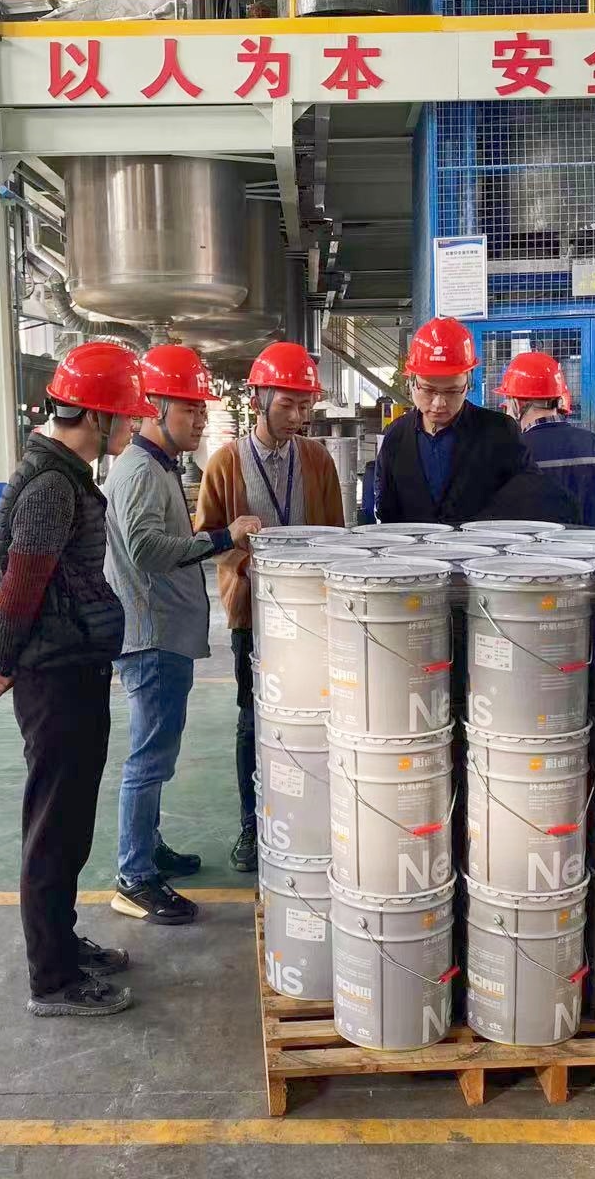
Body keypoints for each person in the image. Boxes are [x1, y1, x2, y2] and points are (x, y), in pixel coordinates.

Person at [0, 340, 151, 1018]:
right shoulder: (50, 487)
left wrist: (9, 661)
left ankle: (63, 946)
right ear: (94, 417)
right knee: (53, 828)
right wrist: (3, 662)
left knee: (68, 826)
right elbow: (19, 591)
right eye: (126, 415)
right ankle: (53, 980)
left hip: (69, 667)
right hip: (56, 678)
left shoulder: (64, 475)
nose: (133, 425)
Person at [104, 344, 261, 926]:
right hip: (152, 637)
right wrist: (222, 538)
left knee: (157, 755)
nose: (199, 420)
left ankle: (148, 848)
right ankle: (134, 877)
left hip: (163, 631)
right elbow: (146, 550)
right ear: (154, 407)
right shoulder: (142, 471)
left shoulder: (158, 465)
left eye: (201, 409)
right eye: (189, 409)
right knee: (149, 759)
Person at [195, 341, 345, 873]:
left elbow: (336, 534)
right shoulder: (225, 463)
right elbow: (206, 537)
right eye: (287, 405)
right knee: (252, 720)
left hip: (313, 618)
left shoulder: (317, 460)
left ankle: (314, 816)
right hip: (254, 617)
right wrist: (241, 560)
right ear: (259, 398)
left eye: (305, 406)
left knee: (318, 718)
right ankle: (251, 824)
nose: (298, 417)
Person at [373, 316, 576, 526]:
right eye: (428, 390)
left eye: (452, 390)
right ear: (411, 381)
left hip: (483, 544)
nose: (438, 403)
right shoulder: (396, 436)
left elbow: (531, 498)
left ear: (469, 381)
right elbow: (387, 510)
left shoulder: (500, 432)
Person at [497, 351, 595, 530]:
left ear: (518, 403)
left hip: (536, 547)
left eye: (507, 400)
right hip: (593, 546)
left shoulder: (511, 454)